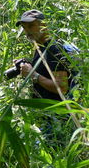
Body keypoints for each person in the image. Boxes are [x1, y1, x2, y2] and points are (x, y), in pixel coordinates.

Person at [14, 9, 76, 145]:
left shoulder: (54, 49)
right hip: (46, 117)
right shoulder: (40, 49)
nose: (27, 31)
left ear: (44, 25)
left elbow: (62, 87)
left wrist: (33, 74)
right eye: (24, 27)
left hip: (57, 118)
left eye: (31, 26)